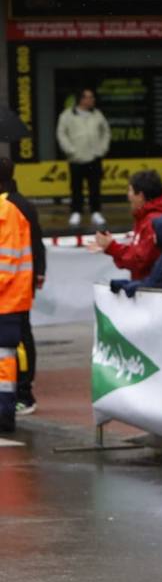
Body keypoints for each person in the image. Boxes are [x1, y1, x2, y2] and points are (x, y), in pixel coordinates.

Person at [87, 170, 162, 290]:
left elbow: (140, 260)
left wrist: (112, 247)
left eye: (130, 190)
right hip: (158, 291)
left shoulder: (152, 221)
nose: (128, 195)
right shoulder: (150, 218)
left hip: (157, 295)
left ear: (141, 195)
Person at [0, 159, 45, 416]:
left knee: (17, 342)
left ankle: (23, 391)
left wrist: (38, 271)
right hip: (17, 285)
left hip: (13, 290)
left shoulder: (12, 207)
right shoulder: (20, 204)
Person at [0, 190, 33, 432]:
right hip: (9, 300)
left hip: (7, 301)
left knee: (3, 360)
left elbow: (5, 266)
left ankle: (4, 412)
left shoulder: (5, 214)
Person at [56, 88, 110, 228]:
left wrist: (102, 148)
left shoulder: (97, 114)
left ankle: (96, 212)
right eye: (89, 97)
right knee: (76, 187)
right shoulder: (67, 115)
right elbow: (61, 133)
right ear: (81, 99)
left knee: (95, 187)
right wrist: (70, 150)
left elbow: (106, 131)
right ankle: (76, 212)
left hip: (94, 157)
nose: (92, 100)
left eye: (92, 97)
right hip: (76, 158)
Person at [108, 215, 162, 298]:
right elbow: (155, 281)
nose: (154, 236)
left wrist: (139, 286)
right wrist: (128, 284)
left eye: (157, 233)